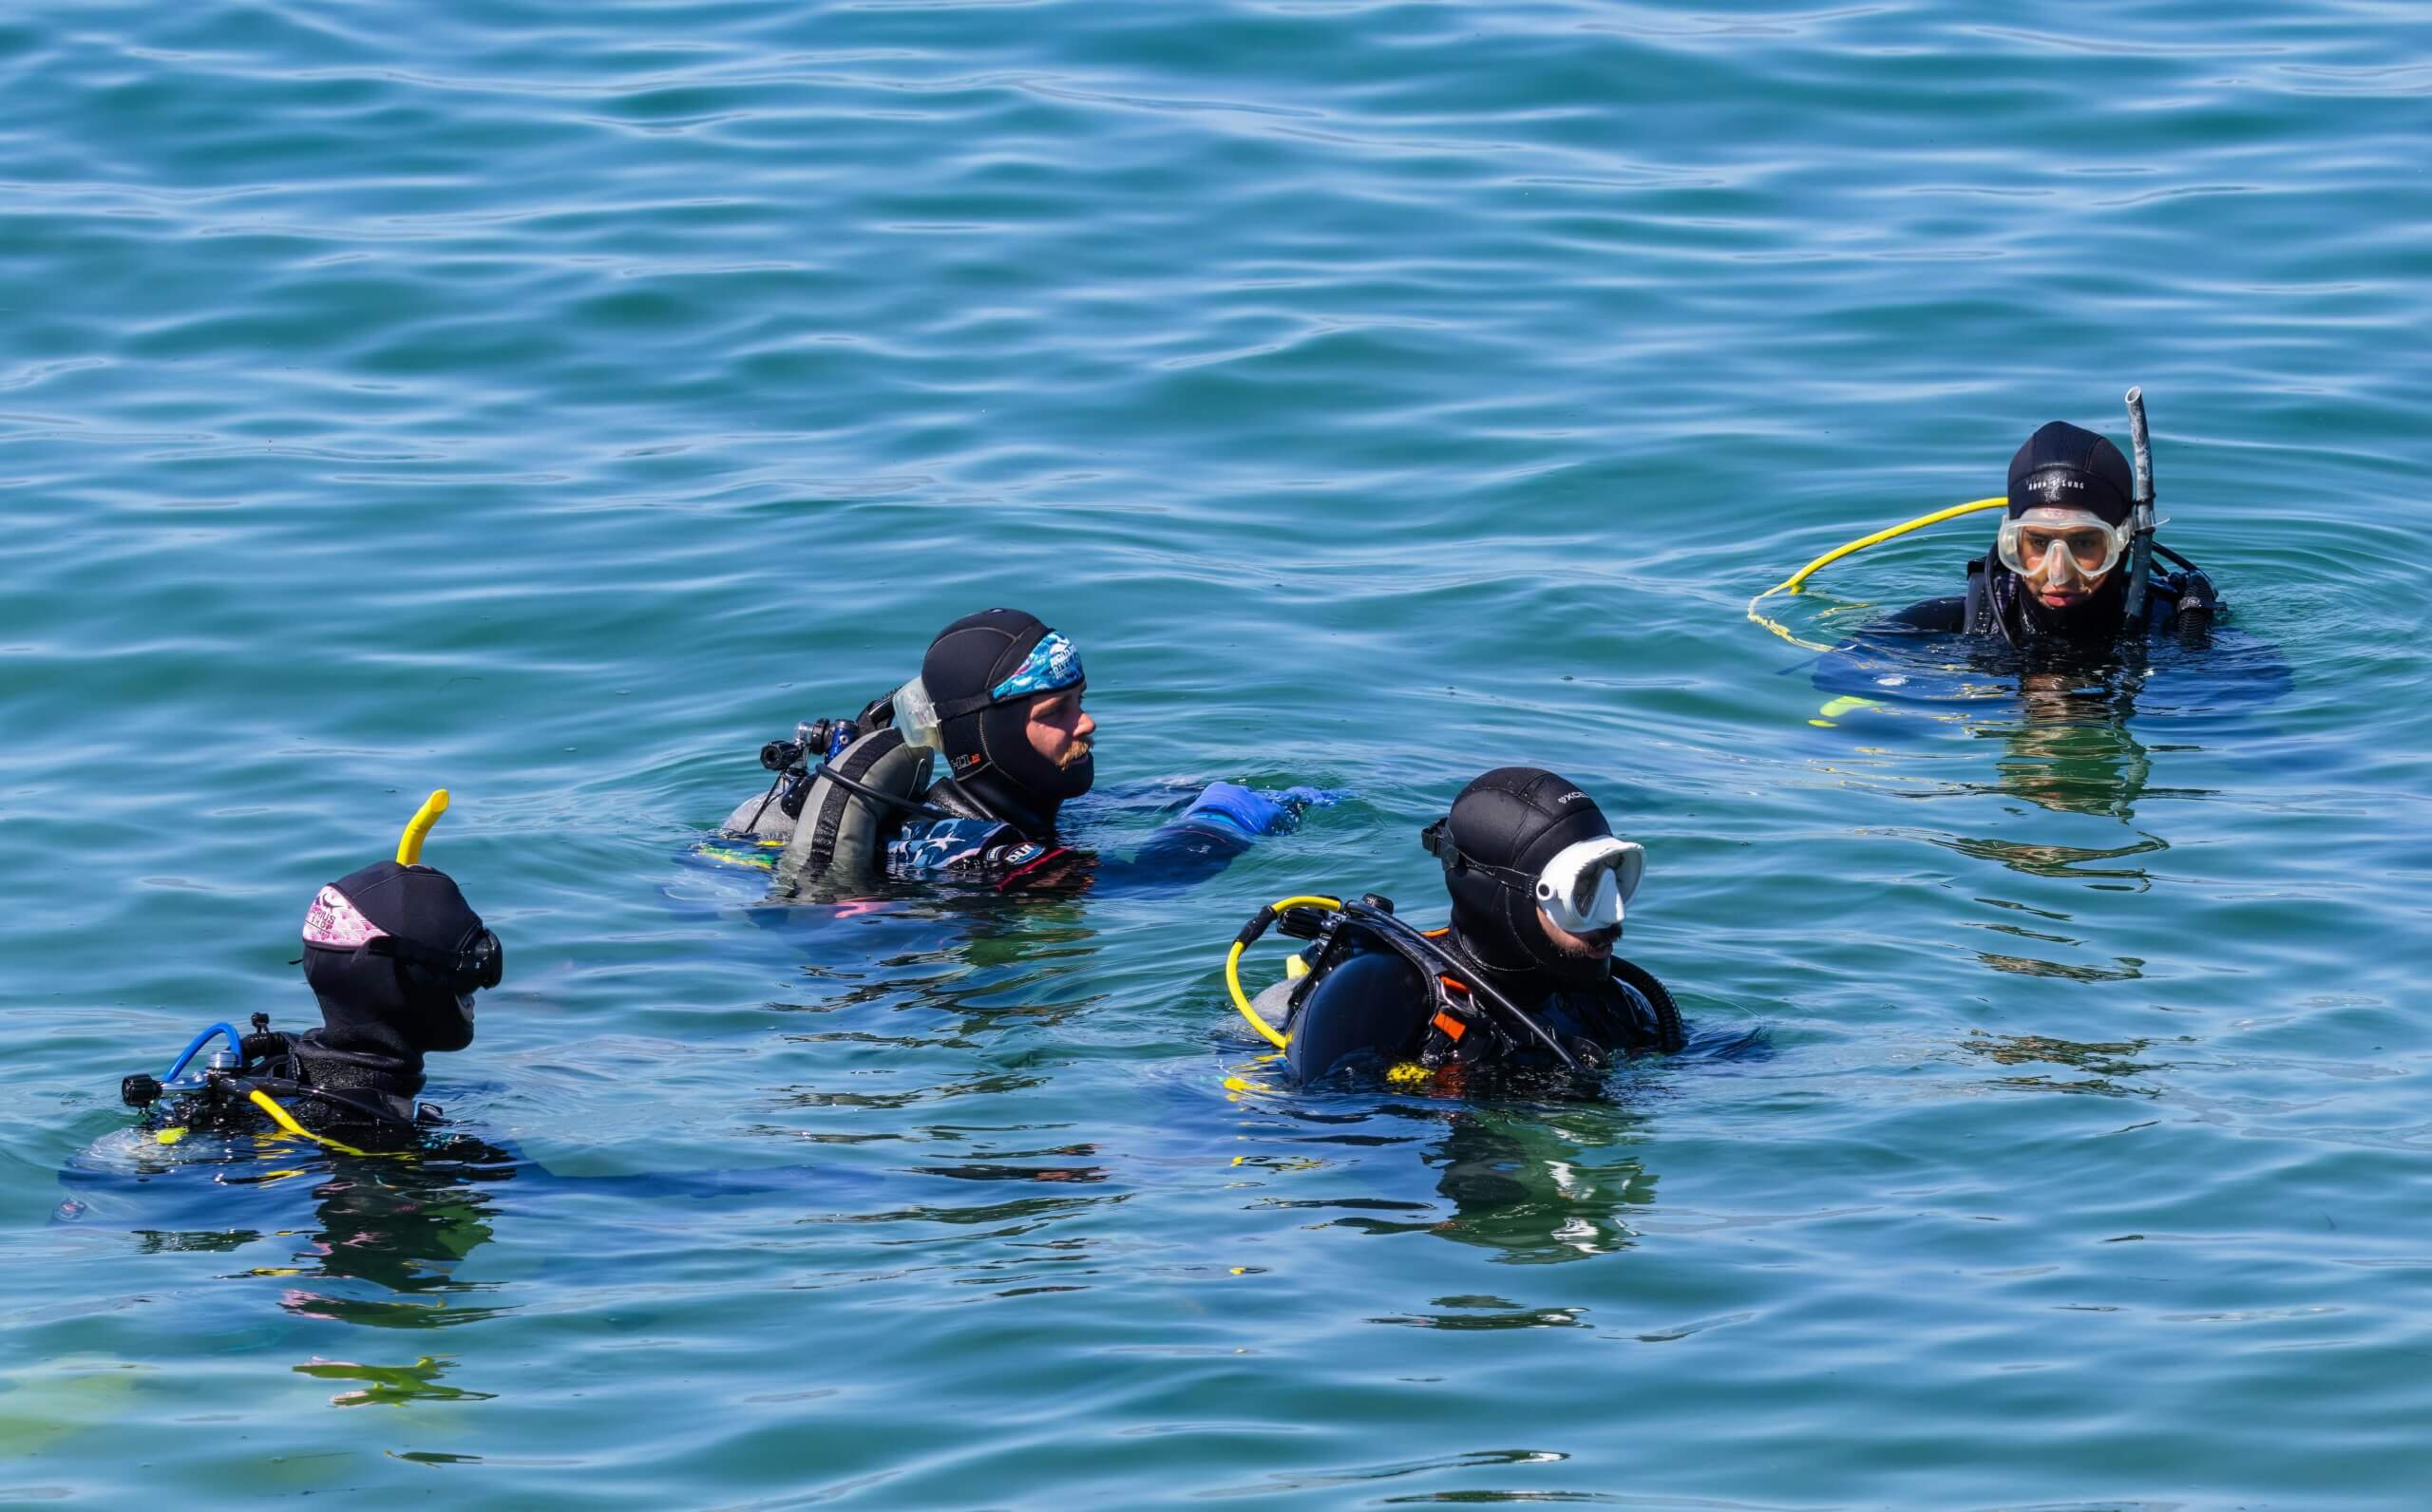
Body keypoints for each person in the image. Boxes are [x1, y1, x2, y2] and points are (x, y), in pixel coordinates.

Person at [715, 608, 1334, 896]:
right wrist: (1220, 822)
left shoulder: (1021, 807)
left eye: (1082, 700)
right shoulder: (969, 847)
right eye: (1056, 713)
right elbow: (1142, 880)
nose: (1086, 723)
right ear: (991, 737)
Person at [1235, 766, 1683, 1090]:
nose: (1613, 915)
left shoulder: (1607, 1002)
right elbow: (1327, 1135)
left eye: (1615, 879)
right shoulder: (1377, 993)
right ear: (1500, 895)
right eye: (1580, 893)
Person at [116, 792, 504, 1152]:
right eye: (472, 971)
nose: (479, 989)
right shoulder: (384, 1135)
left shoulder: (276, 1077)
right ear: (400, 984)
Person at [1886, 421, 2217, 649]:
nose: (2058, 573)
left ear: (2122, 539)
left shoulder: (2176, 632)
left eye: (2085, 542)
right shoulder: (1961, 625)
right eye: (2039, 542)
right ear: (2011, 542)